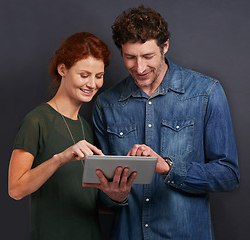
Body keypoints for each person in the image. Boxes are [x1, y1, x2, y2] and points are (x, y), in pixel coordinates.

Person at [91, 5, 240, 240]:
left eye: (148, 56)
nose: (139, 68)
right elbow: (99, 189)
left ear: (165, 46)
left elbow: (228, 175)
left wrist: (169, 167)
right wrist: (114, 195)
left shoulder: (206, 93)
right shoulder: (106, 104)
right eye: (130, 57)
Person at [8, 32, 111, 240]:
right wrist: (60, 158)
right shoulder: (37, 121)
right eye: (84, 75)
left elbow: (83, 198)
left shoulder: (85, 127)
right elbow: (16, 189)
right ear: (63, 69)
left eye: (98, 76)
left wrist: (118, 191)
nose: (92, 84)